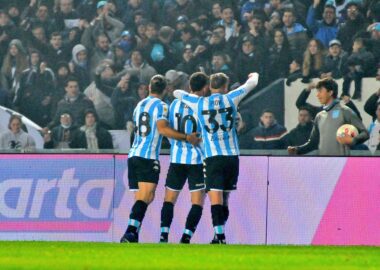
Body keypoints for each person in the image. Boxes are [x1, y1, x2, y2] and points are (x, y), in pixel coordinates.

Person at [173, 72, 259, 244]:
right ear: (226, 87)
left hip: (212, 157)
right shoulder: (231, 98)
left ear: (209, 87)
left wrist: (188, 94)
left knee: (215, 197)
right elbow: (253, 83)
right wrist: (253, 74)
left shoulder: (199, 102)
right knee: (225, 197)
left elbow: (177, 93)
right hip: (232, 156)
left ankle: (219, 235)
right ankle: (218, 235)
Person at [120, 74, 200, 243]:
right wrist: (186, 137)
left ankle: (134, 235)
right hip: (147, 157)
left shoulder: (139, 105)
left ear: (149, 87)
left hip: (133, 154)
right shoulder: (162, 107)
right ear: (165, 90)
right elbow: (163, 130)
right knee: (145, 198)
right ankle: (129, 232)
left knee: (143, 198)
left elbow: (136, 130)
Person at [159, 72, 208, 244]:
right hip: (197, 160)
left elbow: (167, 129)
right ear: (205, 88)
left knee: (169, 200)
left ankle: (163, 235)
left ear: (189, 87)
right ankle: (186, 238)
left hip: (177, 159)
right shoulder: (204, 105)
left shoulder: (174, 104)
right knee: (197, 202)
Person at [288, 78, 369, 156]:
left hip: (342, 165)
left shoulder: (345, 111)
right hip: (325, 165)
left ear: (330, 92)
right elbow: (313, 143)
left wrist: (353, 140)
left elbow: (365, 133)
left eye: (320, 91)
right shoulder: (319, 116)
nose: (317, 95)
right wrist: (297, 150)